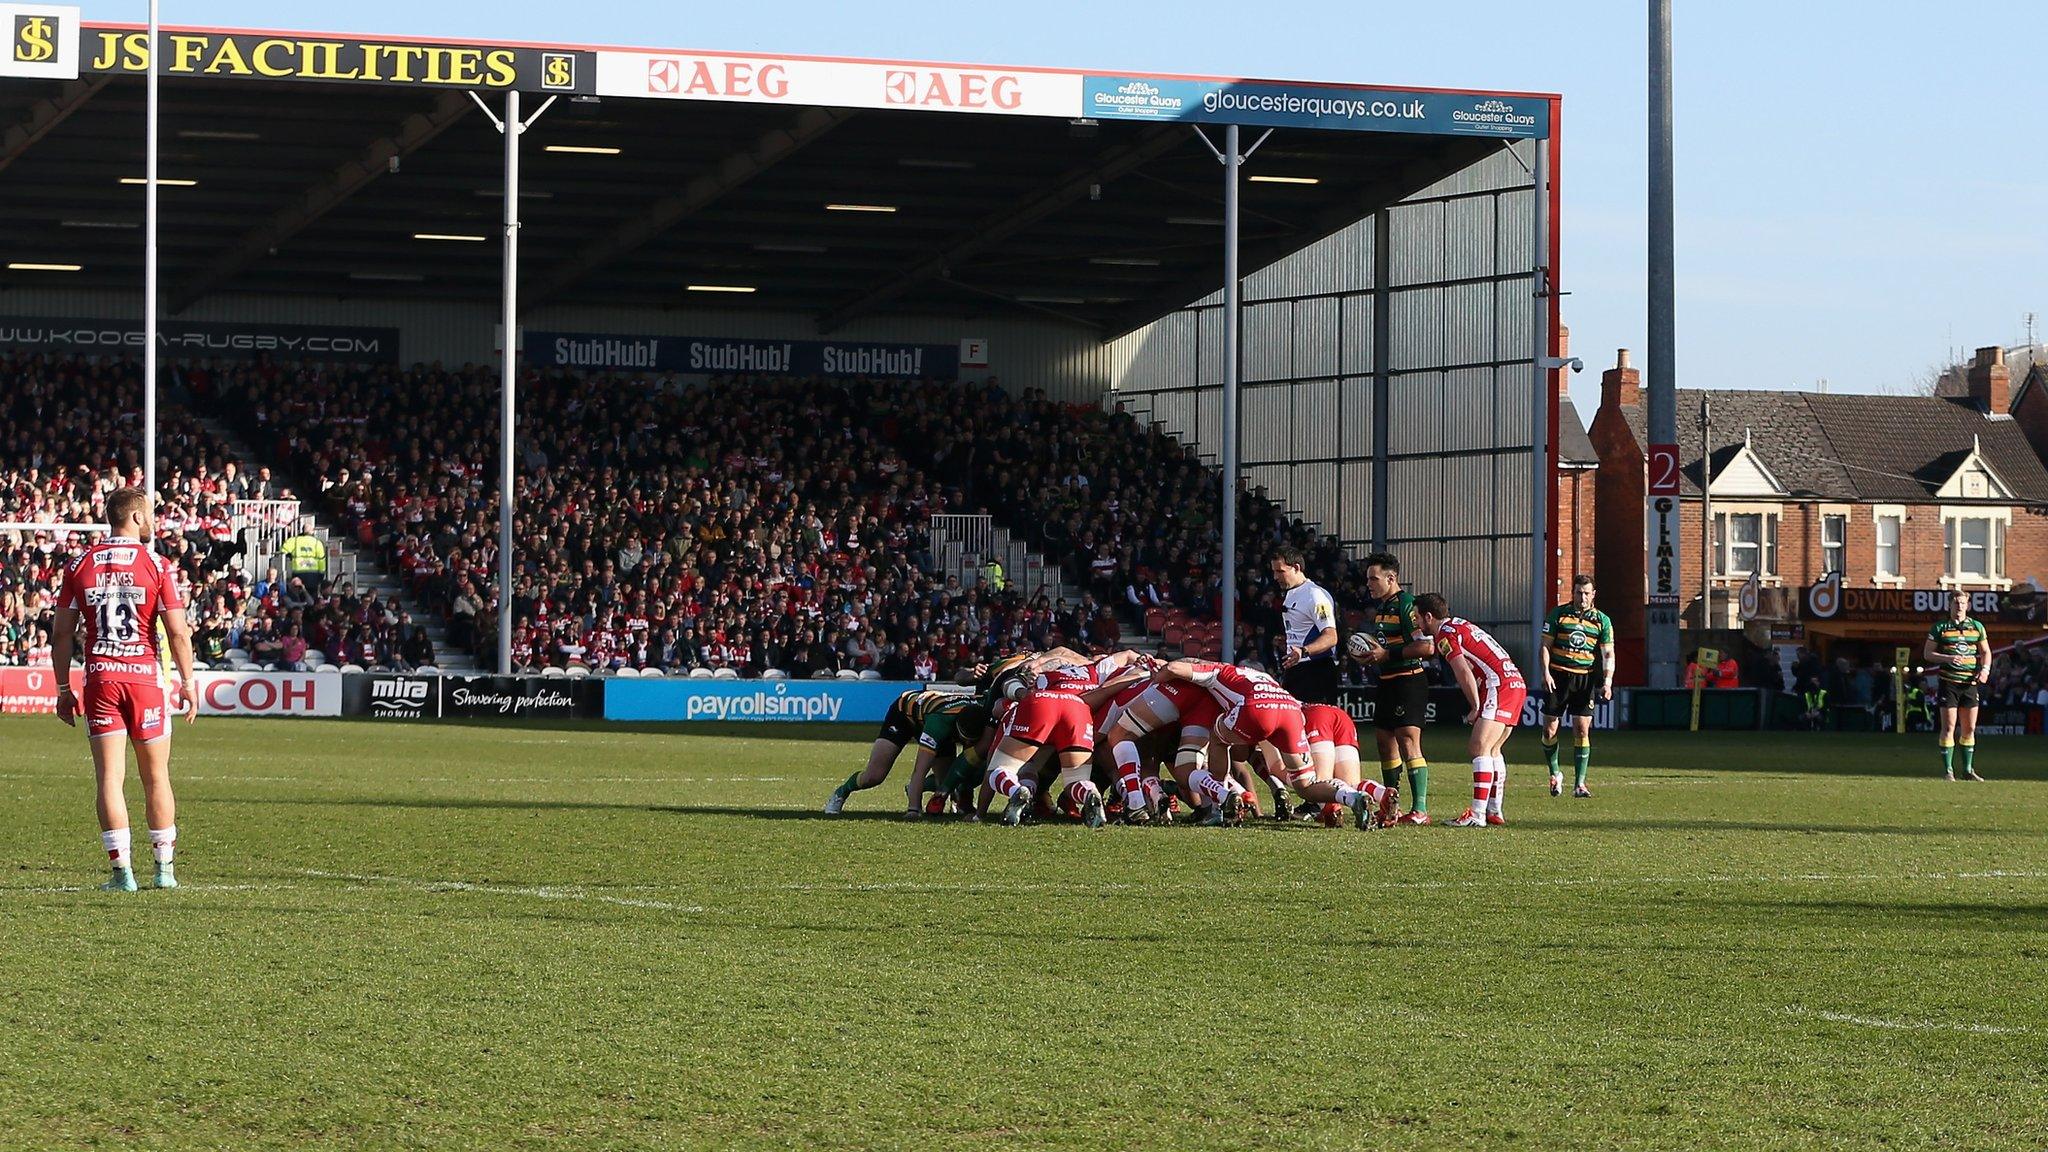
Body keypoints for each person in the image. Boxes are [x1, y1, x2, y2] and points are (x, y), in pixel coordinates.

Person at [50, 487, 199, 892]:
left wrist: (63, 688)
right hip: (145, 679)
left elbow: (62, 633)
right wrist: (188, 682)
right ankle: (164, 870)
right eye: (147, 514)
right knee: (156, 777)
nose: (151, 520)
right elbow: (178, 632)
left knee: (109, 780)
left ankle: (122, 874)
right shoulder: (156, 564)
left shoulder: (79, 564)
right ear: (134, 517)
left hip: (101, 678)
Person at [1413, 593, 1525, 828]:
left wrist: (1475, 706)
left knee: (1478, 747)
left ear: (1429, 617)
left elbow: (1462, 671)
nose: (1415, 621)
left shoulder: (1445, 634)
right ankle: (1494, 810)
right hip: (1514, 681)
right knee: (1493, 749)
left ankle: (1477, 814)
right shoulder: (1457, 625)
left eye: (1417, 617)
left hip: (1498, 685)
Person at [1347, 552, 1434, 824]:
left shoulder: (1407, 605)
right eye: (1368, 579)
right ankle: (1390, 804)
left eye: (1374, 579)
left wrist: (1387, 654)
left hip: (1408, 679)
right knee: (1385, 743)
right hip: (1386, 681)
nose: (1369, 584)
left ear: (1391, 578)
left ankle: (1419, 810)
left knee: (1408, 740)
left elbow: (1426, 646)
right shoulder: (1383, 609)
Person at [1271, 545, 1340, 815]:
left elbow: (1331, 636)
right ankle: (1314, 794)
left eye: (1281, 571)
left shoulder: (1314, 595)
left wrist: (1304, 651)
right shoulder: (1293, 594)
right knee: (1299, 735)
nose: (1276, 576)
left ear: (1296, 568)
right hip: (1299, 670)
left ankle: (1321, 798)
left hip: (1316, 671)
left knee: (1315, 736)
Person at [1540, 574, 1613, 798]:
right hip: (1559, 677)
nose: (1582, 597)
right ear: (1573, 593)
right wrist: (1545, 672)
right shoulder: (1558, 614)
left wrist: (1607, 681)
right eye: (1578, 593)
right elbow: (1545, 646)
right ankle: (1555, 773)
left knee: (1582, 729)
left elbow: (1608, 652)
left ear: (1593, 595)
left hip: (1585, 679)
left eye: (1586, 593)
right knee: (1550, 727)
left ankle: (1580, 784)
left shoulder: (1602, 620)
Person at [1925, 595, 1992, 780]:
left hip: (1969, 684)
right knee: (1949, 727)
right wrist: (1947, 658)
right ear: (1950, 605)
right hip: (1949, 683)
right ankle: (1948, 771)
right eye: (1956, 603)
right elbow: (1927, 653)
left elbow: (1985, 652)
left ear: (1968, 605)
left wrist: (1985, 670)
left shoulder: (1976, 626)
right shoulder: (1940, 627)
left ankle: (1968, 770)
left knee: (1969, 728)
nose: (1960, 606)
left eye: (1963, 603)